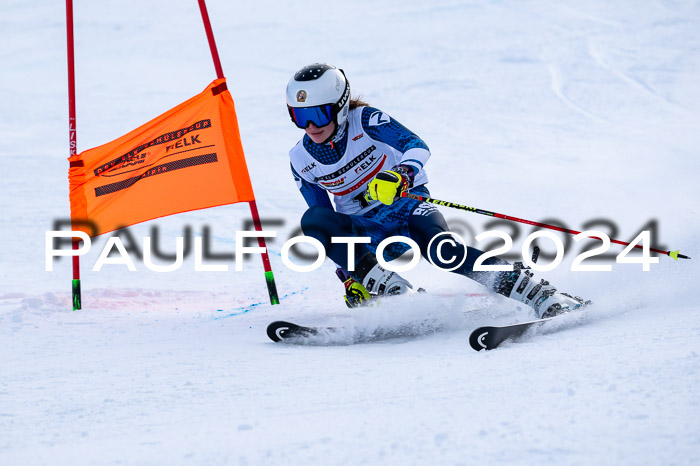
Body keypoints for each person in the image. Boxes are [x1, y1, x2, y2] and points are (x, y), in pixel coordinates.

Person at [286, 63, 586, 317]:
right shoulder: (300, 158)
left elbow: (416, 145)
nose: (311, 126)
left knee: (444, 252)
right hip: (368, 231)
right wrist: (350, 276)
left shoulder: (364, 120)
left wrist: (401, 174)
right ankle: (389, 291)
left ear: (340, 107)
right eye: (300, 117)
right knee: (313, 219)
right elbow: (325, 226)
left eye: (320, 114)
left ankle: (540, 295)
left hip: (408, 209)